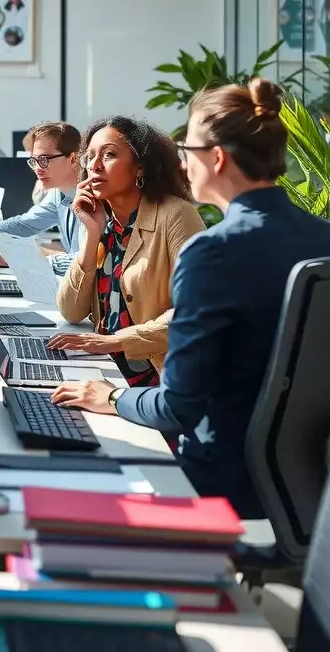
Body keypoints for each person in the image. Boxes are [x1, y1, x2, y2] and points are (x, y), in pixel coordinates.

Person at [52, 79, 330, 519]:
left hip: (216, 481)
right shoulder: (324, 239)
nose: (182, 163)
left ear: (216, 158)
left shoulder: (212, 252)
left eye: (188, 150)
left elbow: (176, 407)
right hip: (308, 485)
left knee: (70, 486)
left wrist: (110, 396)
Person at [46, 117, 204, 385]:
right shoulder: (104, 220)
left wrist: (115, 341)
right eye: (90, 157)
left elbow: (193, 312)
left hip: (160, 378)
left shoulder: (176, 215)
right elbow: (71, 310)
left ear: (139, 168)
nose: (95, 166)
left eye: (109, 155)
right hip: (108, 367)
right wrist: (92, 233)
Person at [0, 121, 82, 273]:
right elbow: (26, 223)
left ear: (73, 159)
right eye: (34, 161)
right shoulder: (59, 193)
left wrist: (18, 260)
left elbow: (85, 263)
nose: (37, 169)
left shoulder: (94, 199)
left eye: (44, 160)